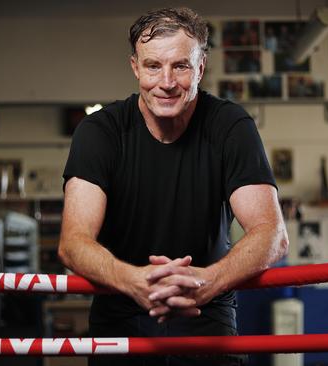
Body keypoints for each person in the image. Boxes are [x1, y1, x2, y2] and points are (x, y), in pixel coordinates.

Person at [58, 7, 289, 366]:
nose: (166, 82)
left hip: (206, 316)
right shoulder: (100, 132)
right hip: (121, 318)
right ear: (135, 67)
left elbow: (272, 233)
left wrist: (206, 282)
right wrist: (134, 281)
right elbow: (73, 243)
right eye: (153, 66)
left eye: (180, 66)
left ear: (200, 68)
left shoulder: (230, 126)